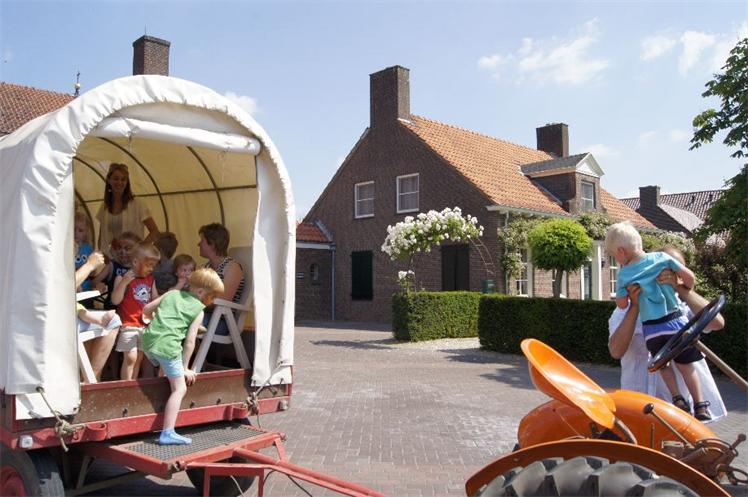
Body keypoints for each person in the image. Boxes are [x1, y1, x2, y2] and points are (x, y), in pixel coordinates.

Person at [608, 245, 726, 422]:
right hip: (637, 408)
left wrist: (680, 288)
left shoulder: (682, 307)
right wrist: (635, 306)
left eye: (676, 271)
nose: (670, 275)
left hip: (679, 414)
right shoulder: (623, 311)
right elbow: (616, 351)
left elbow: (717, 323)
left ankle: (693, 403)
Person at [141, 268, 224, 445]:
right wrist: (185, 368)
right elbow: (190, 342)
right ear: (201, 292)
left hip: (148, 341)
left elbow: (146, 309)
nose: (212, 300)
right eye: (212, 296)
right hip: (168, 347)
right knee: (180, 388)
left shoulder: (171, 294)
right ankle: (167, 432)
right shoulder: (199, 310)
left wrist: (155, 320)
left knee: (165, 370)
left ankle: (162, 403)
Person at [111, 242, 160, 380]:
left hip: (145, 325)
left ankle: (132, 384)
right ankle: (125, 385)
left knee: (138, 358)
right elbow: (115, 300)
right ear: (135, 262)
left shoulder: (150, 280)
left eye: (153, 266)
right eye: (149, 265)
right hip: (129, 324)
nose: (151, 269)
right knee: (130, 357)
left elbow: (155, 300)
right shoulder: (122, 278)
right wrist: (123, 283)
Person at [75, 251, 120, 381]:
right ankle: (91, 379)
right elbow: (65, 288)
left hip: (68, 313)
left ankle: (89, 377)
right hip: (59, 319)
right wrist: (90, 265)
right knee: (112, 321)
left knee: (96, 320)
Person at [97, 162, 159, 251]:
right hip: (109, 256)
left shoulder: (138, 204)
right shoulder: (104, 206)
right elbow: (101, 236)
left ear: (127, 182)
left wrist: (140, 249)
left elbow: (154, 231)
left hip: (131, 256)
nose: (119, 182)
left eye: (123, 179)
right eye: (116, 179)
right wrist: (102, 253)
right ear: (109, 180)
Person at [198, 223, 245, 336]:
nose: (198, 244)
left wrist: (193, 300)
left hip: (221, 321)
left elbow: (221, 300)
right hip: (203, 314)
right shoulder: (205, 267)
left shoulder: (232, 267)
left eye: (202, 241)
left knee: (177, 319)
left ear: (212, 244)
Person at [94, 231, 142, 309]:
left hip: (132, 309)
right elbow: (94, 282)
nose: (122, 251)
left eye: (127, 249)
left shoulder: (139, 268)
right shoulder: (111, 266)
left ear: (138, 251)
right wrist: (98, 284)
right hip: (113, 308)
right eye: (119, 247)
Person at [74, 211, 95, 291]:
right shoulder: (67, 249)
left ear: (86, 232)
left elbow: (93, 272)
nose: (76, 233)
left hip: (87, 287)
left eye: (80, 230)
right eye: (74, 229)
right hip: (73, 287)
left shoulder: (88, 249)